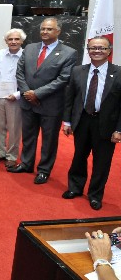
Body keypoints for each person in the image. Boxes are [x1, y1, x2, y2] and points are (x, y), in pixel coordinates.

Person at [8, 18, 77, 184]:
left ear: (58, 31)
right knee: (28, 136)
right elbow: (20, 72)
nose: (45, 32)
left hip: (50, 105)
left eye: (49, 29)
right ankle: (26, 163)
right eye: (43, 29)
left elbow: (64, 78)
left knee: (49, 140)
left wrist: (37, 94)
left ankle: (44, 170)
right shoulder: (30, 48)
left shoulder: (69, 52)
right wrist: (27, 93)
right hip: (28, 102)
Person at [62, 37, 121, 210]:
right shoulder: (77, 71)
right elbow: (70, 98)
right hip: (82, 120)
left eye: (101, 48)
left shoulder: (118, 72)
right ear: (88, 51)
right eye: (93, 48)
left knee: (102, 162)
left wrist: (119, 129)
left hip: (106, 124)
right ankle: (75, 187)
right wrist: (67, 121)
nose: (97, 51)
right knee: (79, 156)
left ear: (109, 51)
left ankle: (95, 195)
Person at [0, 29, 25, 168]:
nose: (13, 42)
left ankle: (12, 156)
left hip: (16, 97)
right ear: (6, 41)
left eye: (16, 39)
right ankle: (0, 152)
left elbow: (30, 78)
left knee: (14, 128)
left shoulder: (27, 56)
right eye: (10, 39)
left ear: (22, 41)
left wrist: (18, 94)